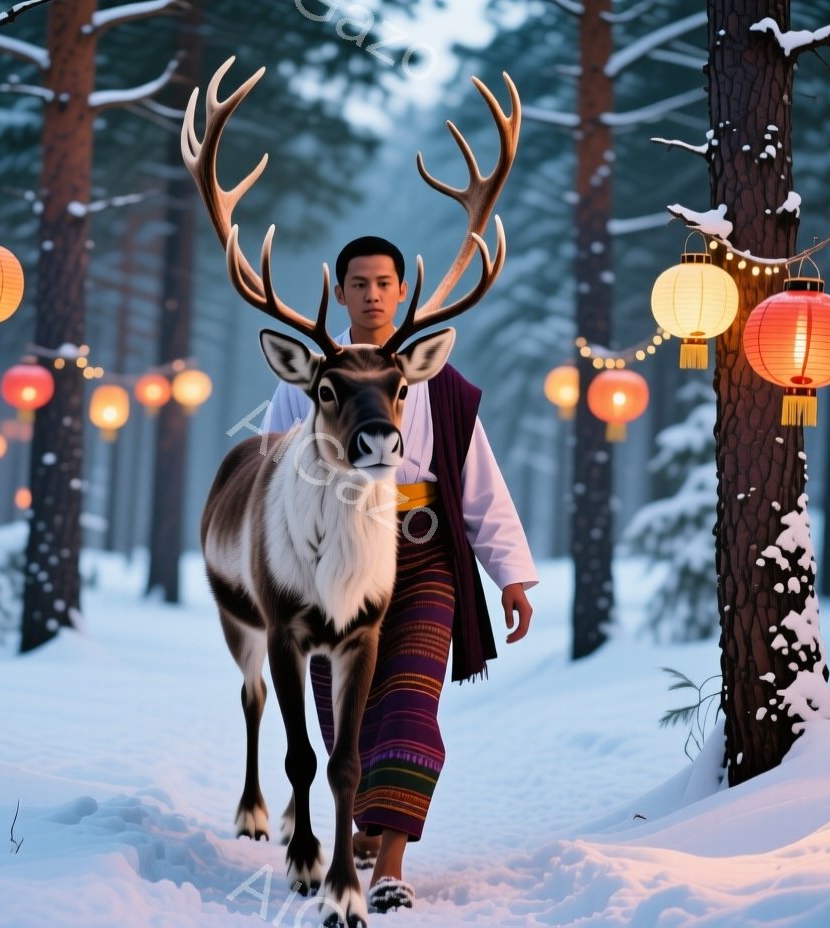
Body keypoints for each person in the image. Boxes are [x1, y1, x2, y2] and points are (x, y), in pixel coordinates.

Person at [263, 235, 538, 914]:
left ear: (402, 291)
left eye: (384, 283)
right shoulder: (305, 382)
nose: (373, 295)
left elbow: (476, 481)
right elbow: (271, 474)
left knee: (413, 699)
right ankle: (367, 821)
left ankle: (390, 861)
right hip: (331, 561)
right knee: (345, 713)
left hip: (422, 559)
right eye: (359, 284)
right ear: (339, 293)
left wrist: (509, 575)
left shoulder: (436, 381)